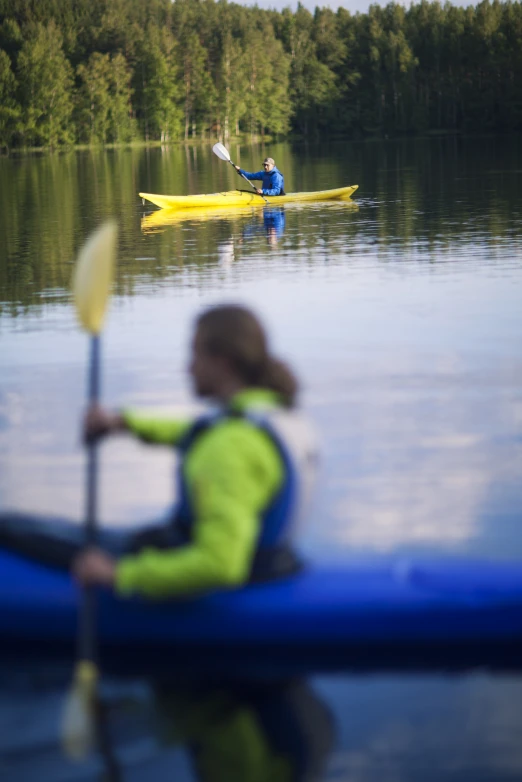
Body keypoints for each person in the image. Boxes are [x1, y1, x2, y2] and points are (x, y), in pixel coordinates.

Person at [0, 304, 317, 600]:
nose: (187, 368)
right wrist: (121, 423)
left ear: (223, 362)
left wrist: (119, 575)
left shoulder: (228, 447)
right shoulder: (269, 414)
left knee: (13, 530)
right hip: (272, 565)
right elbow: (198, 433)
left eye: (195, 355)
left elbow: (221, 565)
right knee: (47, 529)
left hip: (220, 578)